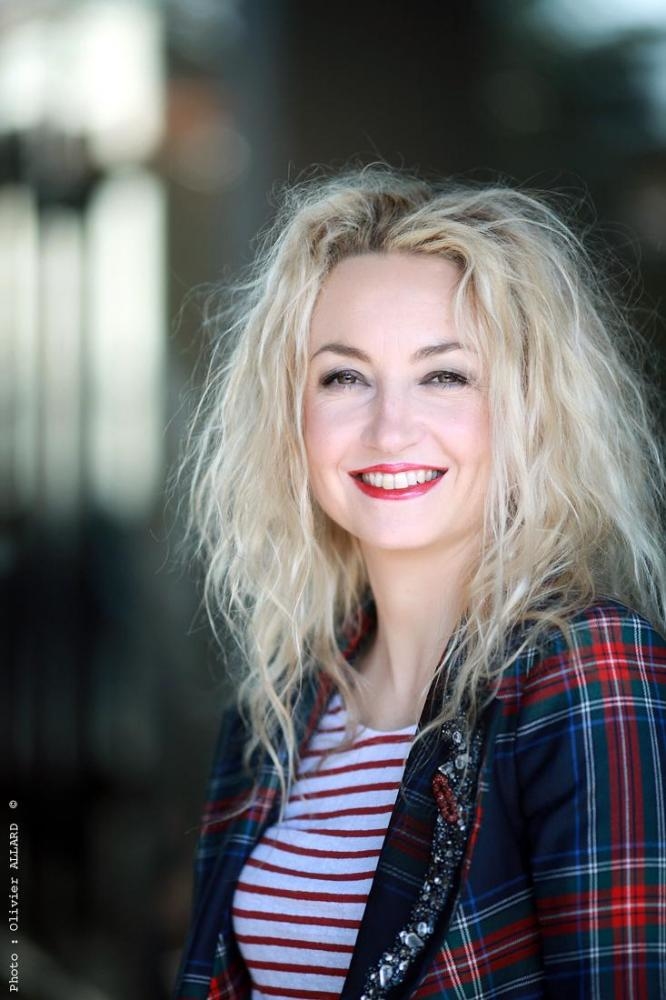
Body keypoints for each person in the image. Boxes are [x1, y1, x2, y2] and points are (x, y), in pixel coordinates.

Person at [173, 166, 666, 999]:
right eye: (344, 376)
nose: (390, 428)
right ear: (290, 415)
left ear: (529, 408)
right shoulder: (279, 711)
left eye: (445, 375)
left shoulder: (589, 672)